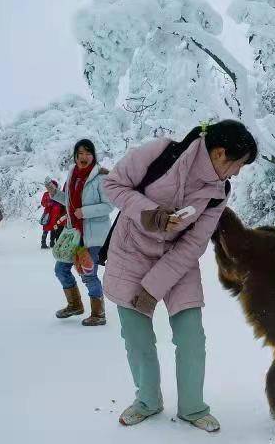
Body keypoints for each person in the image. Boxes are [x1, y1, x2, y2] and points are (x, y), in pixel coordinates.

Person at [103, 120, 257, 432]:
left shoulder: (219, 192)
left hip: (177, 258)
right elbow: (112, 185)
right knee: (137, 338)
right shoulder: (161, 152)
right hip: (130, 251)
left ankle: (192, 408)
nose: (237, 173)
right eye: (238, 164)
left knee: (191, 337)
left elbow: (194, 243)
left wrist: (154, 286)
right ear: (219, 153)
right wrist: (149, 212)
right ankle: (147, 401)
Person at [47, 139, 112, 326]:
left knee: (88, 274)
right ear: (75, 155)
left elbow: (109, 205)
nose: (83, 157)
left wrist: (85, 212)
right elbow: (69, 202)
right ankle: (75, 304)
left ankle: (98, 314)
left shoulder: (101, 177)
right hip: (73, 234)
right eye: (80, 153)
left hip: (93, 236)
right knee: (61, 269)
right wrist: (55, 194)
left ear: (93, 155)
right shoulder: (73, 175)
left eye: (87, 153)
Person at [40, 179, 65, 249]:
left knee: (54, 228)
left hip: (56, 215)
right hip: (48, 215)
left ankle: (52, 243)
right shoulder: (46, 194)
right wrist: (49, 204)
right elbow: (43, 203)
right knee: (46, 228)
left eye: (54, 186)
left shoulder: (58, 194)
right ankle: (43, 243)